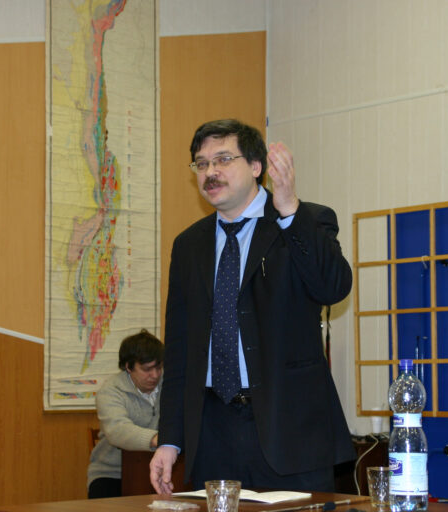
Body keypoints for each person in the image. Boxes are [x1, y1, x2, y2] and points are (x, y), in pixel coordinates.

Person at [149, 119, 354, 494]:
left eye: (223, 159)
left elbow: (333, 286)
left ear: (257, 166)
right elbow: (180, 351)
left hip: (289, 431)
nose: (210, 172)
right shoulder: (189, 245)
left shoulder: (303, 221)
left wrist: (289, 208)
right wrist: (170, 440)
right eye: (201, 163)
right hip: (212, 434)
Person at [87, 329, 164, 498]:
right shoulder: (110, 391)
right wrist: (158, 439)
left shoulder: (171, 384)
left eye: (158, 367)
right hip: (113, 473)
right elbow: (118, 430)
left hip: (162, 469)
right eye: (147, 369)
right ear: (128, 367)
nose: (155, 375)